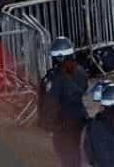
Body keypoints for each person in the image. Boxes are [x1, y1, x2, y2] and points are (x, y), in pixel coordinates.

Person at [38, 37, 89, 167]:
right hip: (79, 121)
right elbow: (83, 88)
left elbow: (49, 103)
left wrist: (47, 125)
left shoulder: (52, 77)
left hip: (62, 126)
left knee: (66, 157)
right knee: (78, 153)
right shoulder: (80, 71)